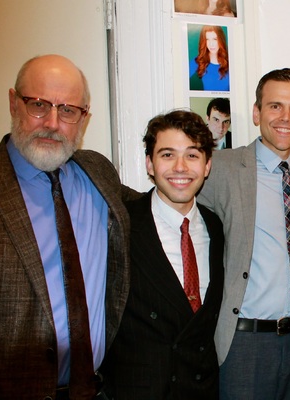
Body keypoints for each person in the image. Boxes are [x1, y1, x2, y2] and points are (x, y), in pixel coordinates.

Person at [0, 54, 137, 399]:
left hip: (97, 389)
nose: (53, 123)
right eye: (39, 105)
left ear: (84, 119)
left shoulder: (97, 173)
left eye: (68, 110)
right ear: (14, 103)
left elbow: (155, 207)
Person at [197, 68, 290, 399]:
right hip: (246, 343)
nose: (286, 117)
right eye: (275, 106)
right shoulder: (222, 168)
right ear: (257, 112)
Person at [100, 110, 224, 399]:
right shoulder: (120, 226)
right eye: (167, 155)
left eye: (192, 155)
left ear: (207, 166)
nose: (180, 167)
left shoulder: (217, 227)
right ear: (150, 164)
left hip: (202, 390)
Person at [190, 25, 230, 91]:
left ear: (220, 39)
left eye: (215, 39)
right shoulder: (198, 61)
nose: (211, 44)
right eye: (207, 40)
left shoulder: (230, 62)